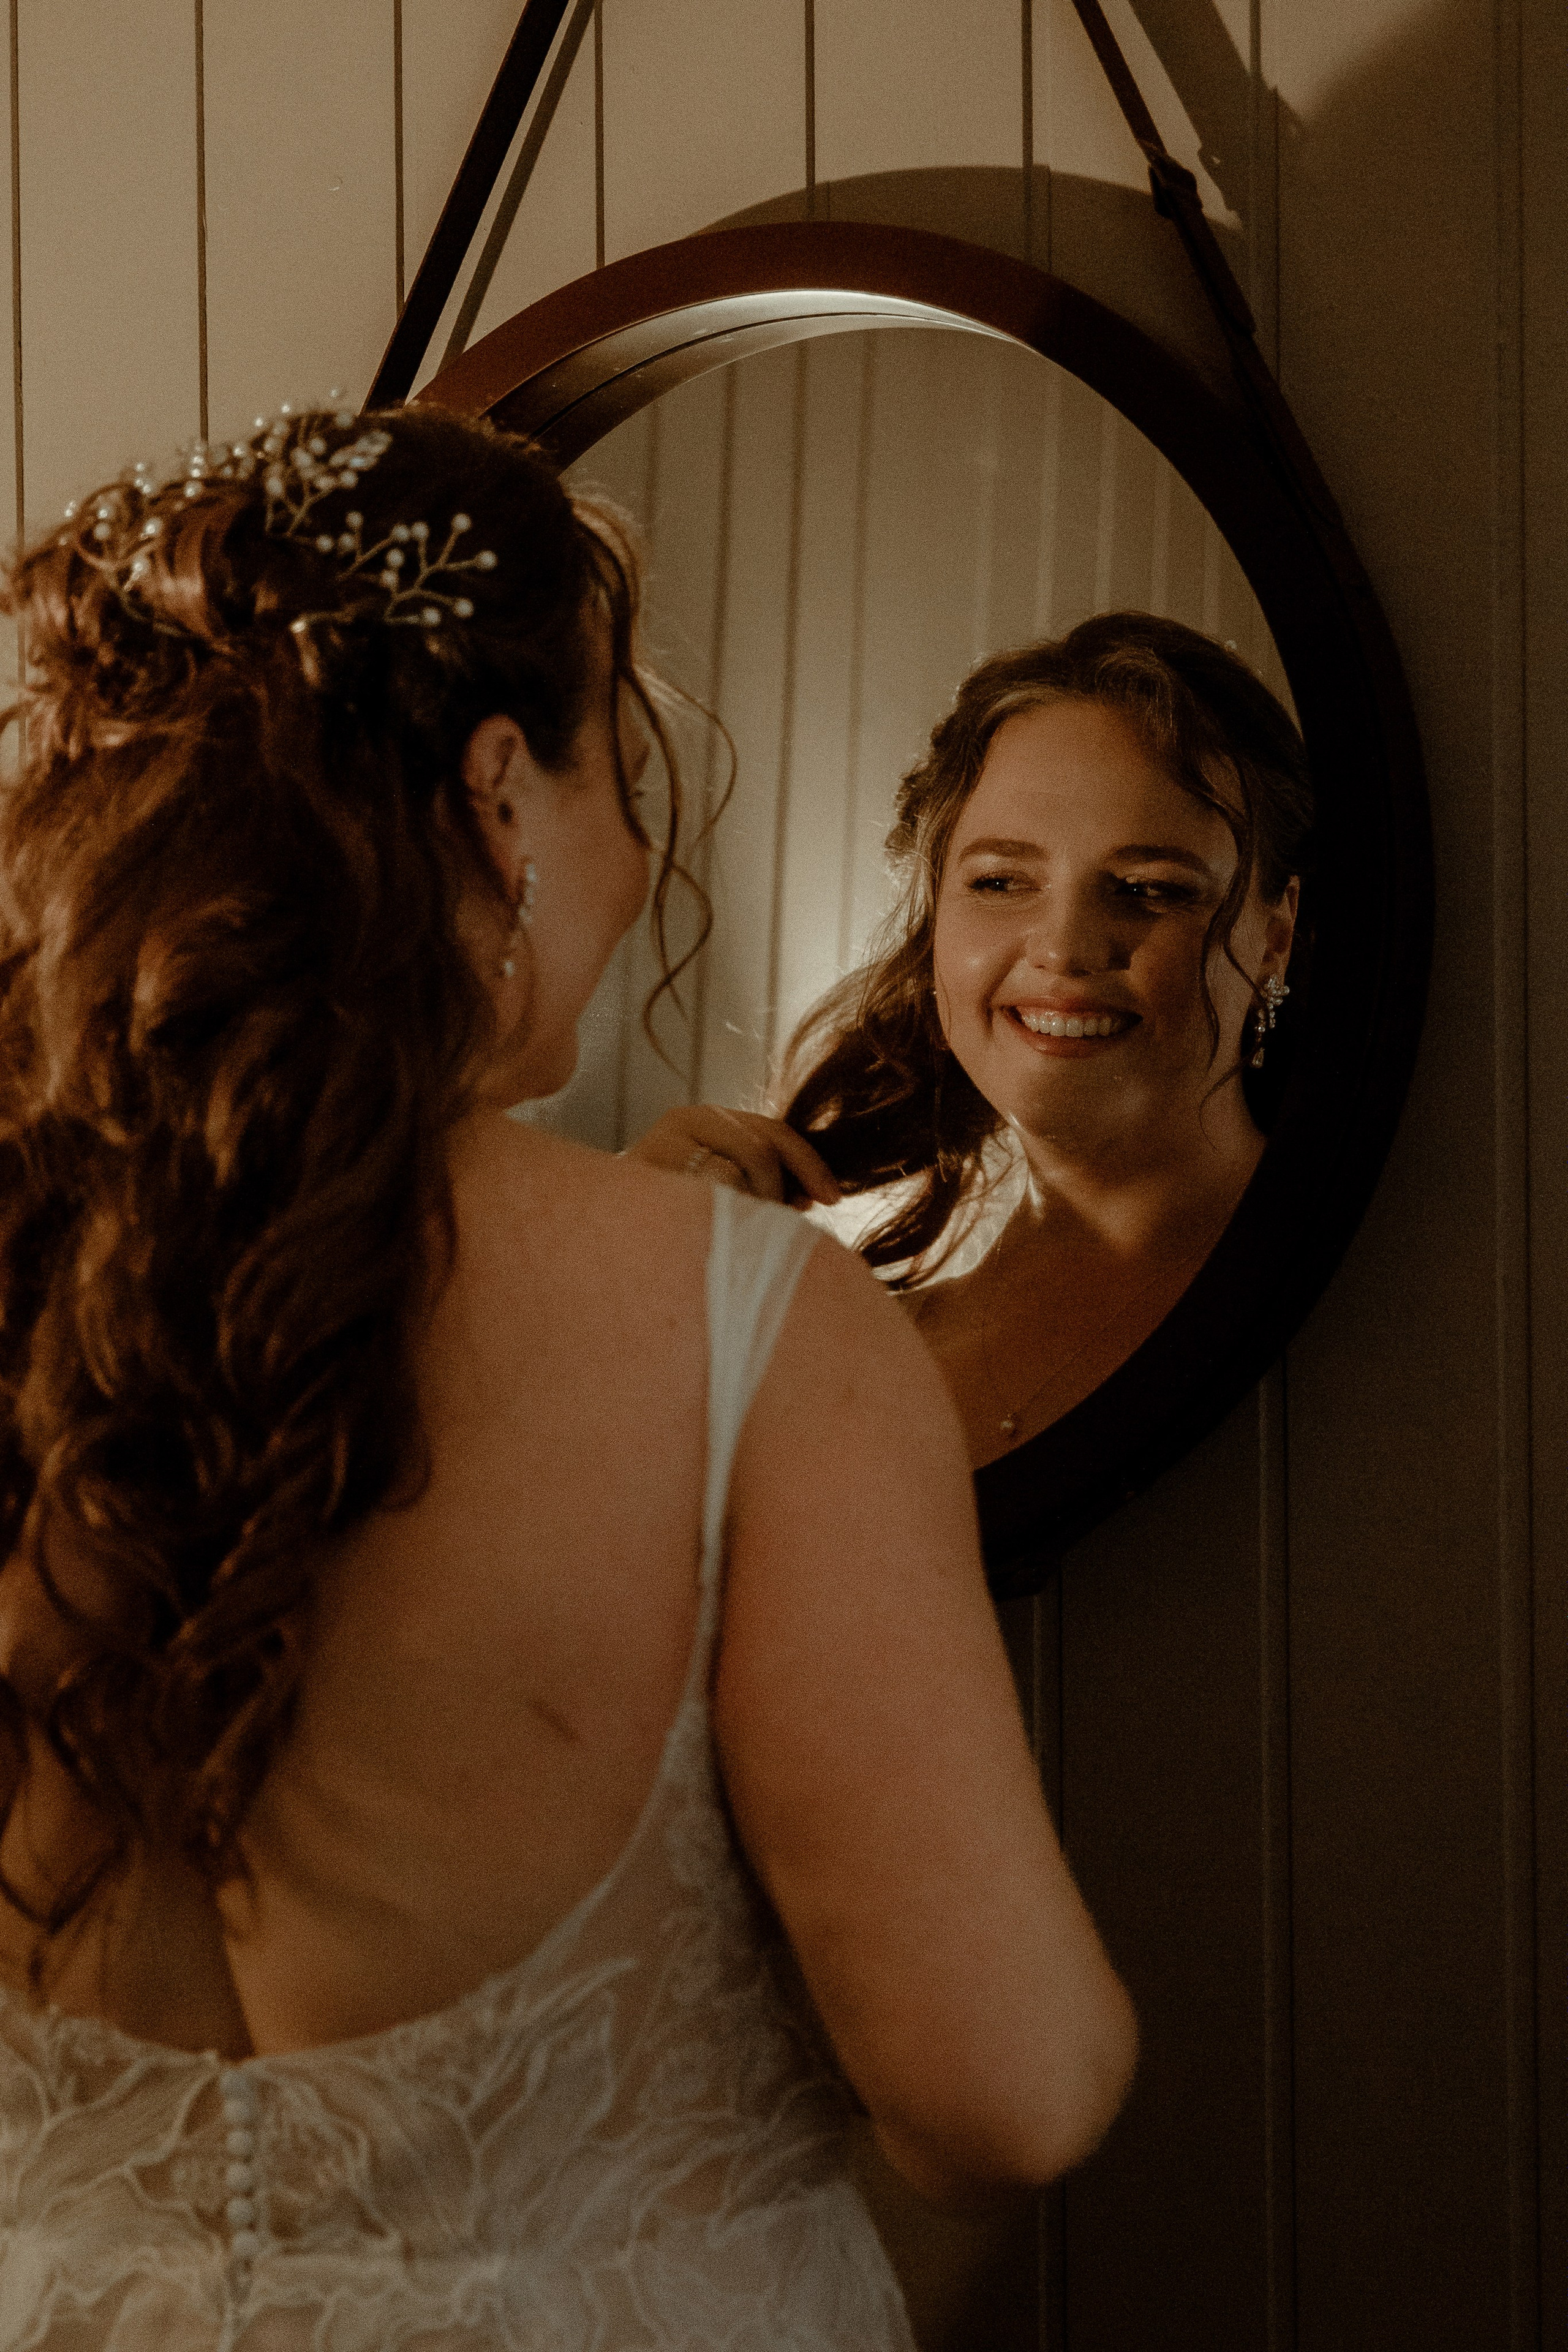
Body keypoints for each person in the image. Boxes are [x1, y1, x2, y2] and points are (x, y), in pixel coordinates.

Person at [0, 405, 1136, 2349]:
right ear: (500, 794)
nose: (630, 850)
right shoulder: (751, 1334)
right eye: (623, 765)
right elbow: (1003, 2089)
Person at [636, 616, 1311, 1468]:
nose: (1064, 948)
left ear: (1277, 933)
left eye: (1149, 888)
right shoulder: (851, 1353)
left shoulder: (1351, 1289)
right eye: (1000, 882)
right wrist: (625, 1277)